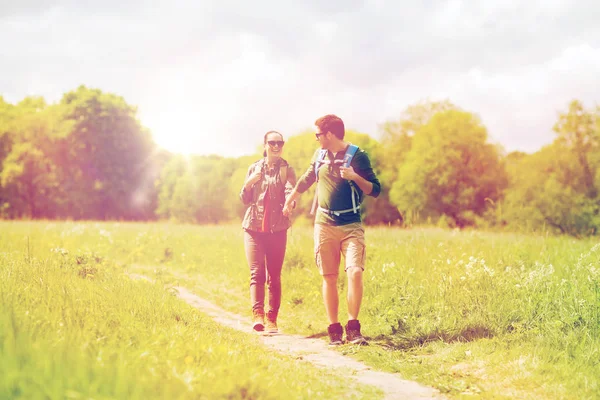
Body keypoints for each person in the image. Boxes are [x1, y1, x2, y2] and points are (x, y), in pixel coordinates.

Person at [283, 114, 381, 345]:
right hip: (324, 223)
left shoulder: (358, 156)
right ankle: (334, 329)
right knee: (329, 276)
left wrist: (354, 176)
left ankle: (353, 328)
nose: (316, 139)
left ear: (329, 134)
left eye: (318, 134)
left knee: (355, 271)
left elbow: (375, 189)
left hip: (351, 224)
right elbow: (307, 179)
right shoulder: (319, 156)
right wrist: (291, 199)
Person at [240, 130, 296, 334]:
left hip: (277, 229)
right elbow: (244, 199)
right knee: (257, 273)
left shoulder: (286, 170)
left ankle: (272, 319)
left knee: (274, 275)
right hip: (253, 227)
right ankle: (258, 316)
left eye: (279, 143)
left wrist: (290, 204)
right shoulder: (254, 168)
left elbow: (291, 190)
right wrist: (249, 183)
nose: (276, 146)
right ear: (264, 145)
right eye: (272, 142)